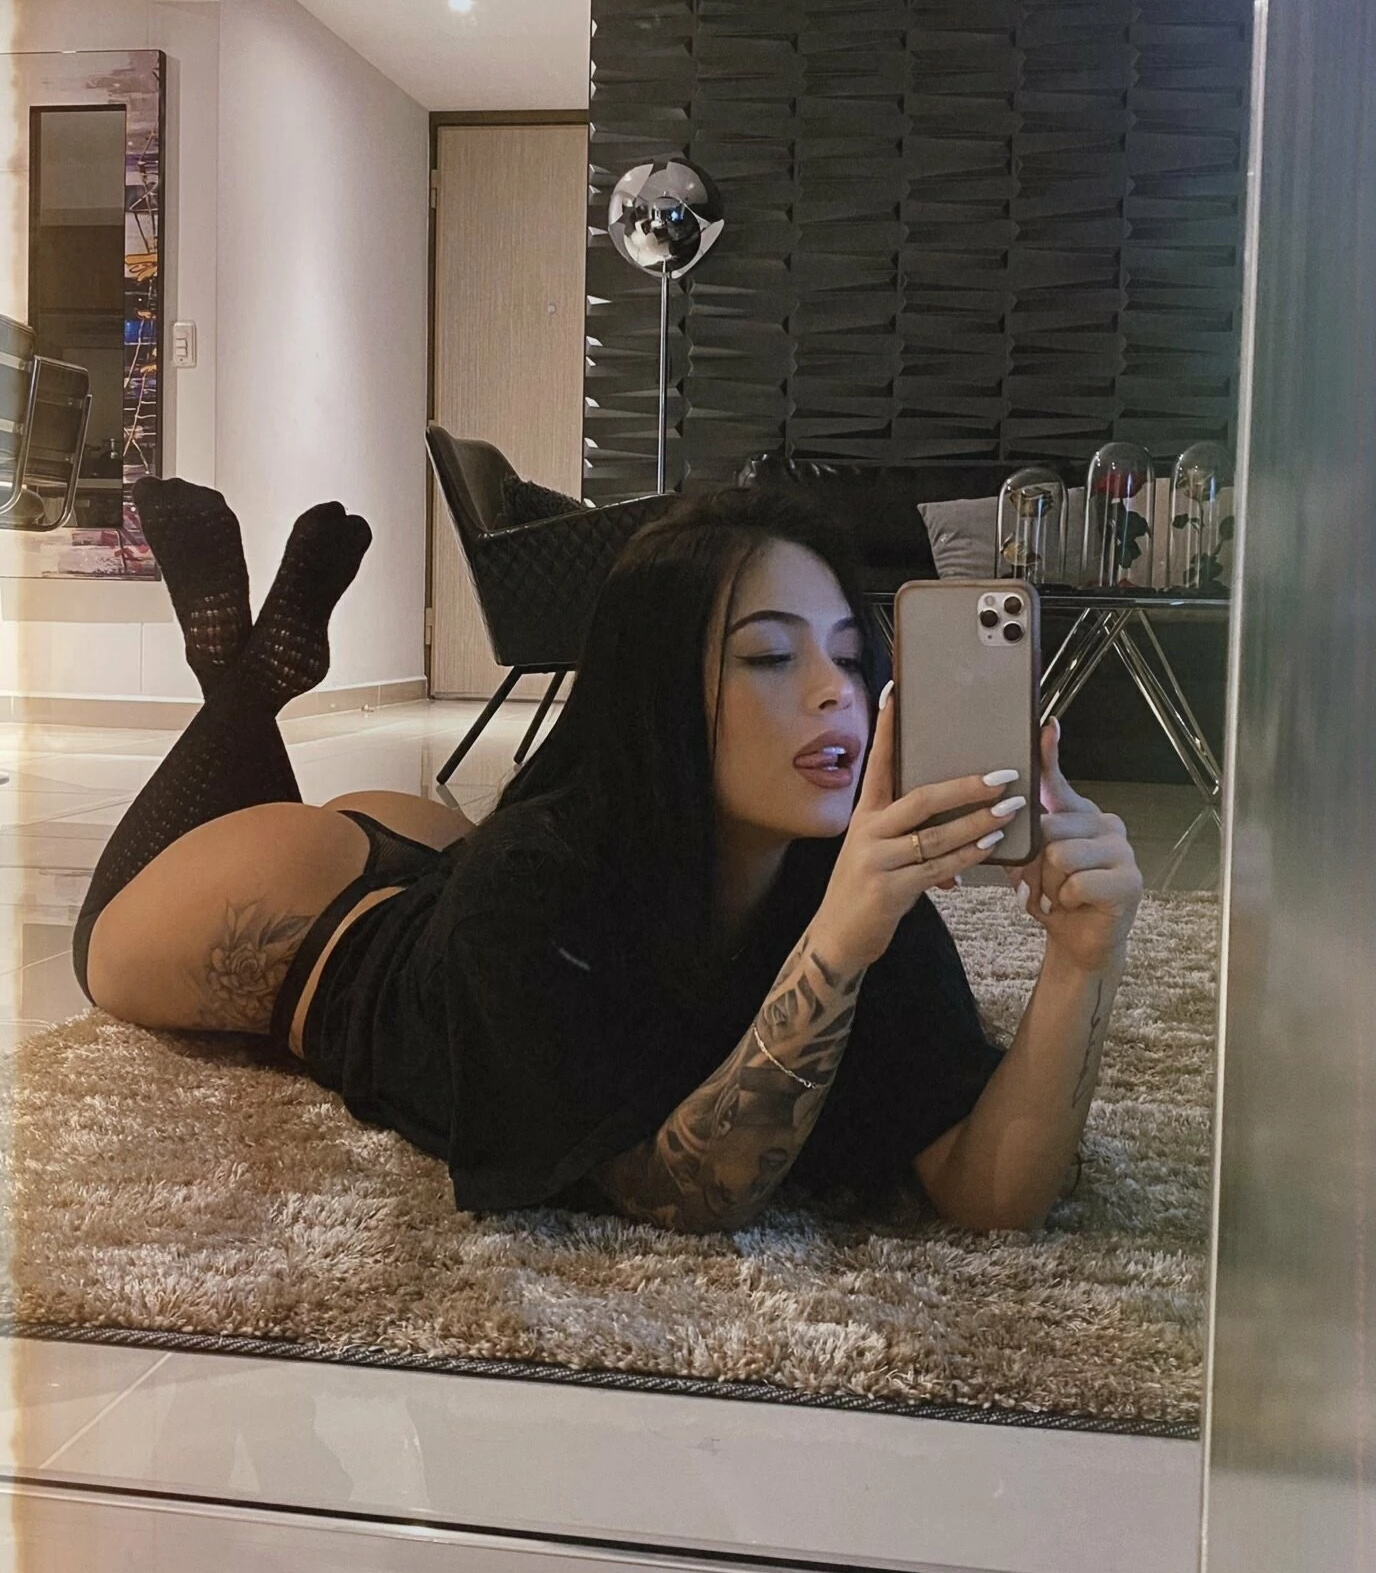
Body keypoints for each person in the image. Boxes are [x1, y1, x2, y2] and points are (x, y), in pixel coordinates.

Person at [74, 476, 1143, 1234]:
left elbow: (986, 1194)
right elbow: (681, 1193)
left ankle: (250, 664)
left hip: (458, 871)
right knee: (101, 945)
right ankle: (245, 674)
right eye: (772, 655)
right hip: (313, 910)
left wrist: (1080, 960)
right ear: (657, 689)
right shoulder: (535, 887)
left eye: (851, 655)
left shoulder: (846, 879)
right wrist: (838, 945)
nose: (838, 694)